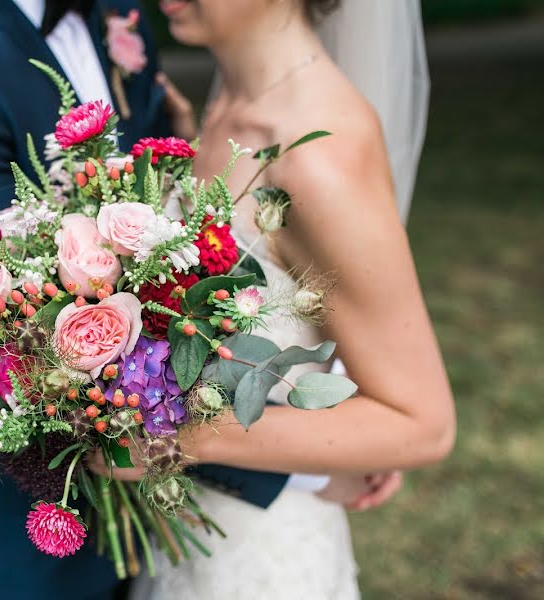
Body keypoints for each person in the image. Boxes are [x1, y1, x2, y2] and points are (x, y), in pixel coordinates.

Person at [0, 1, 396, 598]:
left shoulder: (121, 12)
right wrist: (304, 469)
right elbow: (19, 327)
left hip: (179, 528)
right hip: (41, 553)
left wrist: (336, 392)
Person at [88, 1, 454, 597]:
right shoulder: (223, 105)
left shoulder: (318, 152)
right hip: (183, 541)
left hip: (259, 561)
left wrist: (181, 437)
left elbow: (423, 423)